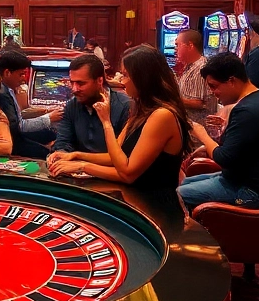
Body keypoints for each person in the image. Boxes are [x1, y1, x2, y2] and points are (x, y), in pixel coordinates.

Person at [48, 46, 191, 211]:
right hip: (134, 199)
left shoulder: (163, 115)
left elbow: (128, 173)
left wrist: (83, 164)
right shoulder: (140, 109)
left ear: (143, 78)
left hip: (156, 207)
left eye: (125, 75)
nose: (121, 82)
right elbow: (113, 157)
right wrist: (76, 155)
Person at [177, 53, 259, 211]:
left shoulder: (248, 110)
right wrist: (207, 147)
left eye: (214, 86)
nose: (213, 93)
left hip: (252, 191)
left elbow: (224, 159)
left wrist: (201, 134)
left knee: (175, 195)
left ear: (232, 81)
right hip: (241, 179)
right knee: (181, 184)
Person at [46, 54, 131, 165]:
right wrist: (60, 155)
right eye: (72, 83)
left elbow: (124, 158)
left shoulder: (125, 107)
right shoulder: (72, 105)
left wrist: (80, 160)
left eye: (81, 83)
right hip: (76, 173)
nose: (74, 89)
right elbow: (63, 142)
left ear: (99, 81)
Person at [0, 51, 62, 158]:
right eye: (21, 74)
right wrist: (49, 118)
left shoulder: (9, 90)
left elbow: (20, 115)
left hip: (17, 136)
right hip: (13, 141)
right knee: (46, 154)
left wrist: (44, 111)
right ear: (7, 73)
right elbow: (19, 126)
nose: (24, 79)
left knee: (50, 134)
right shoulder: (2, 94)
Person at [175, 29, 215, 125]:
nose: (175, 49)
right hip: (190, 123)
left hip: (198, 127)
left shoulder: (200, 68)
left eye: (178, 45)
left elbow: (199, 103)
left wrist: (171, 98)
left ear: (190, 45)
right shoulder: (191, 65)